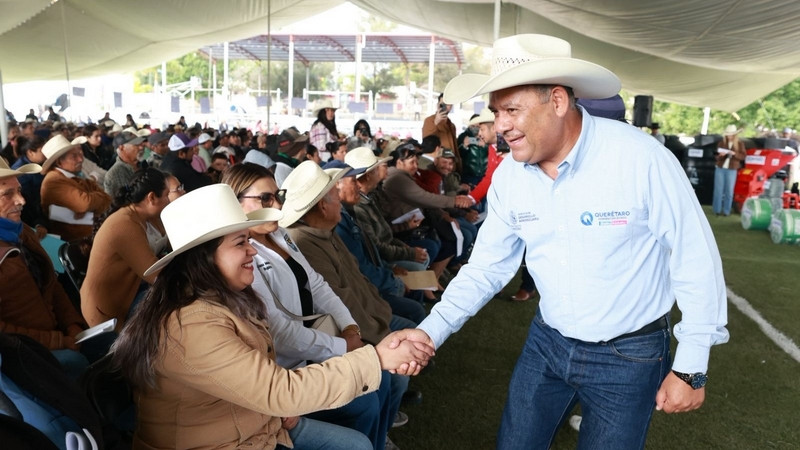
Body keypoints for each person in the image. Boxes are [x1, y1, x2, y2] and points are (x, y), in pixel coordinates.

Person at [401, 34, 730, 449]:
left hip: (630, 353)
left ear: (557, 101)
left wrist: (691, 366)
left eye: (511, 110)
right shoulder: (510, 176)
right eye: (496, 112)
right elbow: (486, 268)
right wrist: (429, 332)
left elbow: (694, 257)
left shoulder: (640, 158)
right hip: (548, 341)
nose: (499, 125)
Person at [111, 184, 432, 449]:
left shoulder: (219, 299)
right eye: (241, 242)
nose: (252, 250)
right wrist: (376, 358)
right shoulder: (192, 323)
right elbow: (279, 391)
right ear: (203, 258)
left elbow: (252, 378)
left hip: (254, 424)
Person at [222, 163, 401, 450]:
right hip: (285, 372)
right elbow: (279, 333)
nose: (277, 205)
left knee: (379, 383)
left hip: (311, 353)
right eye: (266, 198)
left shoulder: (280, 235)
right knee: (366, 400)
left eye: (278, 196)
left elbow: (316, 284)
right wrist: (343, 347)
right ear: (235, 203)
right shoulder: (241, 259)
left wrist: (350, 328)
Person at [0, 158, 89, 379]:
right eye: (7, 194)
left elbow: (52, 284)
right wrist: (57, 341)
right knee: (75, 363)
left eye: (19, 191)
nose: (21, 201)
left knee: (109, 343)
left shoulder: (23, 232)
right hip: (21, 353)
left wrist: (72, 324)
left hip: (55, 333)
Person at [81, 168, 169, 332]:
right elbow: (156, 275)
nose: (169, 200)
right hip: (110, 312)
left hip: (133, 290)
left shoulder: (146, 216)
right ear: (151, 198)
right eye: (166, 195)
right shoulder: (124, 224)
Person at [40, 135, 111, 242]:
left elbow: (108, 200)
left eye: (81, 154)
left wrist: (93, 203)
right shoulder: (54, 181)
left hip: (92, 235)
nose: (80, 159)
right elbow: (85, 204)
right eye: (74, 156)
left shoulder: (72, 175)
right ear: (59, 162)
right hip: (77, 241)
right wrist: (97, 199)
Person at [713, 125, 747, 216]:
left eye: (731, 134)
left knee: (729, 191)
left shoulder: (740, 144)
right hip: (720, 168)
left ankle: (726, 211)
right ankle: (717, 210)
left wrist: (734, 154)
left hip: (732, 169)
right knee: (718, 190)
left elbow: (743, 156)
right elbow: (716, 156)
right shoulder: (722, 143)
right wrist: (720, 155)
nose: (729, 136)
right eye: (728, 134)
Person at [422, 93, 460, 171]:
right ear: (438, 105)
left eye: (448, 104)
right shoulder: (429, 120)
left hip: (451, 165)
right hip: (438, 166)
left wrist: (458, 165)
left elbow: (454, 147)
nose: (445, 106)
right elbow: (427, 141)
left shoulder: (451, 125)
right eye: (443, 104)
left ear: (451, 106)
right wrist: (435, 122)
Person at [104, 131, 145, 196]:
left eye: (141, 144)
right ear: (121, 148)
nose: (141, 147)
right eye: (136, 145)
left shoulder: (144, 164)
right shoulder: (113, 175)